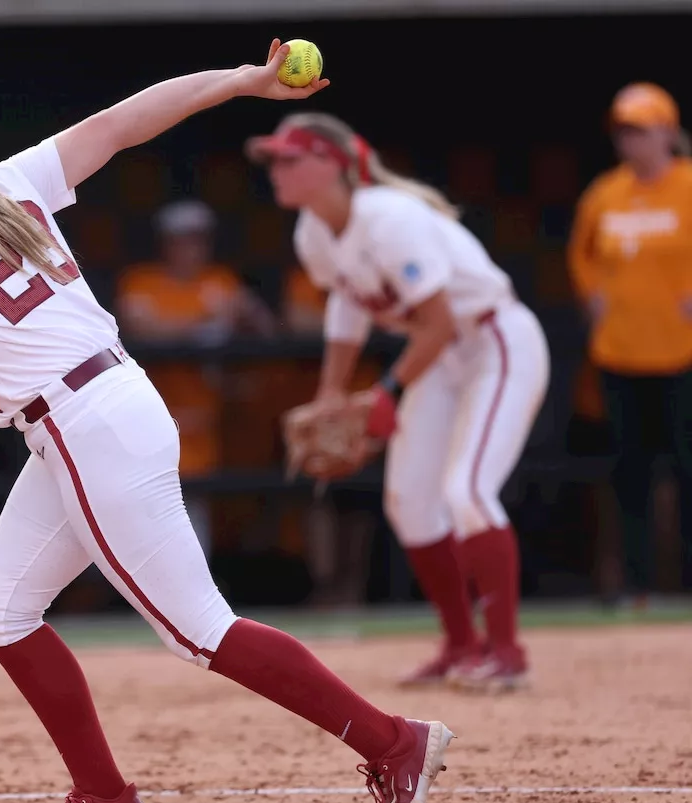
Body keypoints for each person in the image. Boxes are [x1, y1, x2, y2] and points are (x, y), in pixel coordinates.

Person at [0, 40, 452, 803]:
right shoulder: (6, 184)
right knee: (5, 610)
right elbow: (128, 121)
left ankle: (393, 744)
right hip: (102, 409)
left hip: (84, 427)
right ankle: (105, 799)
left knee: (199, 630)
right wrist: (239, 82)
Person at [245, 112, 550, 692]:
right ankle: (462, 647)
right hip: (438, 357)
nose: (275, 171)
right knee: (410, 501)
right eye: (273, 160)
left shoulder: (389, 219)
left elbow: (436, 324)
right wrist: (333, 391)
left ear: (330, 164)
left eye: (289, 159)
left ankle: (506, 654)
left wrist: (388, 392)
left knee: (467, 492)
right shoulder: (313, 231)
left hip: (495, 341)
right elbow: (349, 304)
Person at [567, 82, 692, 607]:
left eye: (639, 130)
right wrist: (591, 295)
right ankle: (638, 585)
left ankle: (684, 582)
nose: (630, 141)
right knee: (631, 473)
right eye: (623, 132)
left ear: (667, 130)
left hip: (682, 352)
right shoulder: (605, 193)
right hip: (620, 352)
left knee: (686, 470)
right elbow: (581, 254)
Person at [115, 199, 276, 557]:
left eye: (198, 239)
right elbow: (141, 328)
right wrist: (205, 322)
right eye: (182, 239)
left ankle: (190, 603)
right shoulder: (143, 281)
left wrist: (245, 314)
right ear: (166, 243)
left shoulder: (220, 280)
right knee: (140, 510)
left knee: (194, 514)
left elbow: (266, 330)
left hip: (203, 418)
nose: (191, 248)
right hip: (148, 417)